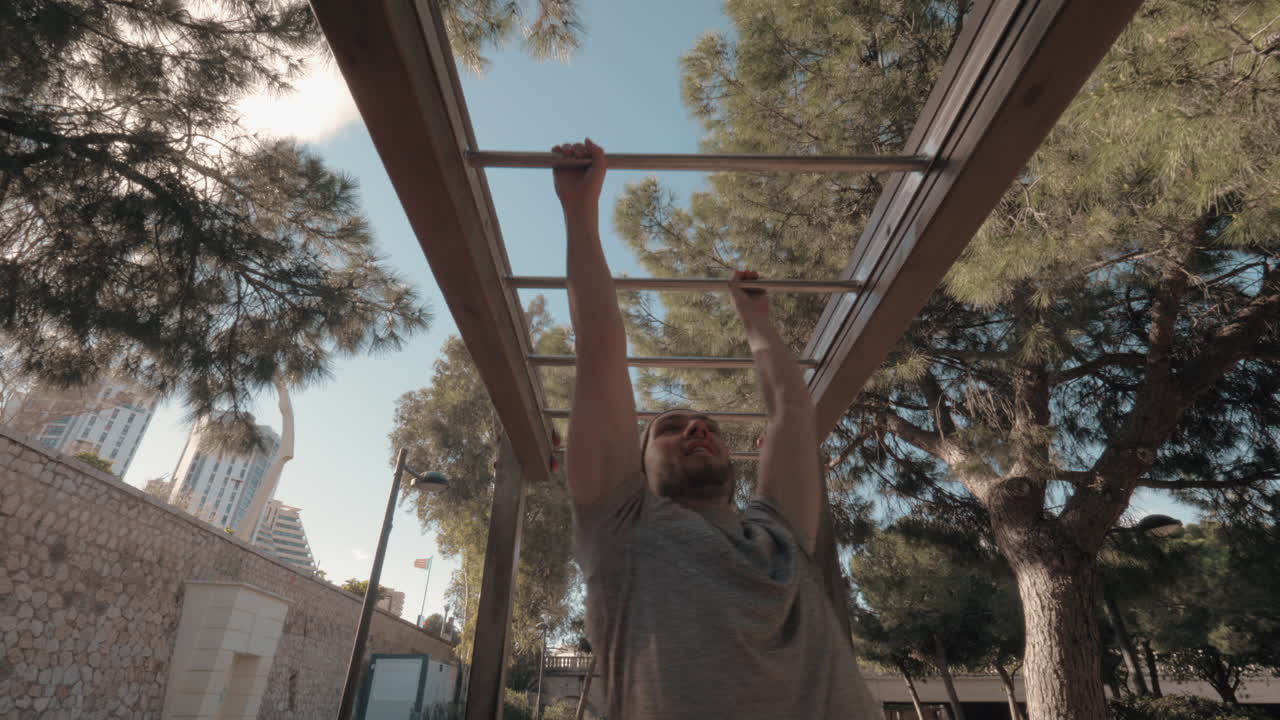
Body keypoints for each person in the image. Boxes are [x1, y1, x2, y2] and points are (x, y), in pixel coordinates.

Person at [554, 138, 877, 719]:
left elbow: (792, 412)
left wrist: (758, 323)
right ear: (636, 464)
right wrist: (580, 212)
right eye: (671, 428)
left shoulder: (778, 537)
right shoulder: (620, 525)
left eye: (708, 427)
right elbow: (599, 348)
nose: (697, 429)